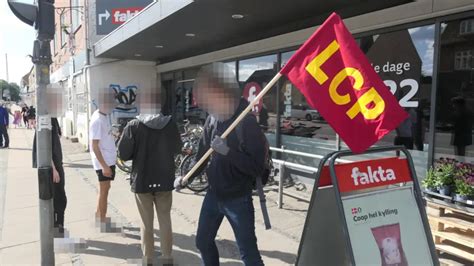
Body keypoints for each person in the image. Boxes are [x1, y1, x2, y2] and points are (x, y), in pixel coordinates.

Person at [175, 62, 266, 266]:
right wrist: (186, 178)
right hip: (213, 195)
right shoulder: (212, 120)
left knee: (248, 254)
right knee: (202, 241)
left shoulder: (246, 122)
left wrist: (227, 152)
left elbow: (256, 167)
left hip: (238, 199)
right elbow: (202, 156)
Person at [117, 109, 182, 264]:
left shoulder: (134, 125)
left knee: (146, 222)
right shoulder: (169, 124)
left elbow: (123, 154)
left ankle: (148, 260)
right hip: (165, 179)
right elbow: (177, 148)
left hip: (142, 180)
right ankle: (167, 258)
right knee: (165, 219)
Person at [32, 117, 67, 236]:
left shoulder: (53, 119)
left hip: (57, 165)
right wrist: (54, 169)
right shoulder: (46, 119)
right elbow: (44, 148)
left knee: (60, 197)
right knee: (57, 198)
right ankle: (56, 228)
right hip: (53, 167)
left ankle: (58, 226)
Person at [89, 103, 116, 226]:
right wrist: (104, 166)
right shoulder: (98, 120)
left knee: (105, 189)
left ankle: (99, 216)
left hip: (107, 160)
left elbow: (102, 137)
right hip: (104, 162)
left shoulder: (102, 115)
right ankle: (102, 220)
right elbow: (94, 146)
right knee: (104, 191)